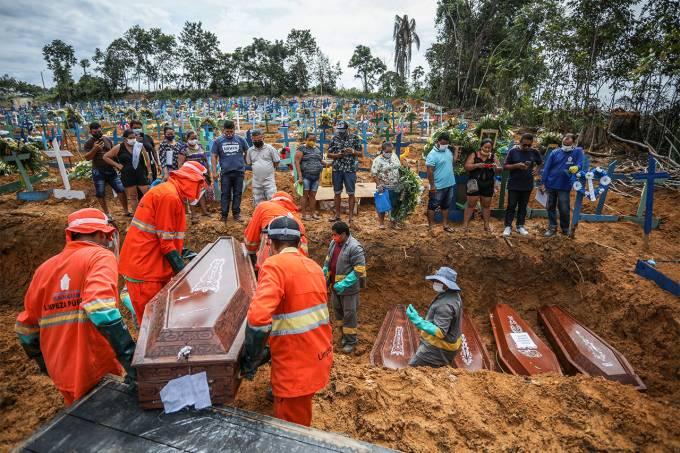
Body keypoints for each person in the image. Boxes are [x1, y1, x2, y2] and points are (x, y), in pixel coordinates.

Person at [15, 208, 136, 405]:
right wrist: (130, 358)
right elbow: (99, 307)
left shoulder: (44, 269)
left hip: (60, 371)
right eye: (106, 237)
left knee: (80, 425)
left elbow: (25, 329)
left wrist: (46, 365)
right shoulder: (99, 257)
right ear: (100, 234)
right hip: (94, 365)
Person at [241, 216, 332, 427]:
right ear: (299, 242)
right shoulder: (315, 268)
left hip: (295, 366)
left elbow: (257, 319)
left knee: (291, 429)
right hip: (318, 355)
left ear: (270, 243)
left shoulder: (274, 266)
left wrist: (252, 359)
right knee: (300, 413)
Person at [119, 161, 207, 322]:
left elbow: (165, 236)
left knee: (157, 321)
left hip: (148, 266)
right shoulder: (169, 197)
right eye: (199, 185)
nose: (200, 191)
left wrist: (185, 253)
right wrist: (185, 276)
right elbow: (166, 243)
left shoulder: (169, 193)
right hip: (146, 271)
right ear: (190, 181)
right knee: (152, 325)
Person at [322, 221, 366, 354]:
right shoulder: (333, 244)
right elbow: (328, 259)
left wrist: (344, 283)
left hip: (349, 289)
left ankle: (351, 341)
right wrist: (325, 269)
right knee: (339, 313)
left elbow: (359, 270)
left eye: (335, 235)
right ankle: (343, 336)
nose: (333, 237)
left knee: (349, 314)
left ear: (343, 234)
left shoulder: (355, 247)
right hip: (335, 287)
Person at [407, 267, 463, 367]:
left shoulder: (445, 305)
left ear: (447, 284)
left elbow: (440, 332)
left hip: (437, 349)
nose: (435, 283)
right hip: (449, 345)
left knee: (411, 371)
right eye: (436, 280)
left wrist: (418, 320)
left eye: (438, 281)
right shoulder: (454, 295)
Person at [244, 191, 308, 270]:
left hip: (272, 259)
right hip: (301, 264)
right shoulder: (296, 217)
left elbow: (250, 240)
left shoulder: (264, 206)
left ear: (273, 199)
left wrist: (251, 254)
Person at [540, 134, 584, 237]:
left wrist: (576, 167)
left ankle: (565, 229)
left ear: (573, 141)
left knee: (564, 207)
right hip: (551, 183)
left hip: (564, 185)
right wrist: (542, 182)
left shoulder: (577, 152)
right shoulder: (555, 152)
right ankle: (552, 227)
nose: (566, 138)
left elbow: (580, 164)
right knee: (550, 206)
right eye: (565, 137)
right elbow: (547, 168)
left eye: (569, 137)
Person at [83, 122, 129, 218]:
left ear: (101, 130)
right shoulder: (88, 143)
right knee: (100, 193)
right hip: (98, 171)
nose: (97, 133)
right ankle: (107, 214)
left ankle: (126, 211)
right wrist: (95, 149)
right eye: (95, 132)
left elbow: (113, 154)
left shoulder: (107, 139)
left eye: (99, 131)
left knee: (121, 190)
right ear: (91, 132)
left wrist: (118, 166)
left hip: (110, 169)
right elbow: (87, 157)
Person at [503, 133, 543, 237]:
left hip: (527, 184)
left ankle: (520, 225)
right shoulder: (513, 152)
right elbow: (505, 166)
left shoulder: (534, 152)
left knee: (523, 206)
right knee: (511, 205)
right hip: (514, 183)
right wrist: (516, 165)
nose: (527, 147)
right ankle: (508, 226)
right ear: (520, 142)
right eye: (525, 145)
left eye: (529, 145)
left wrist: (537, 170)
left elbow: (540, 163)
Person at [103, 129, 151, 214]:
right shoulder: (119, 147)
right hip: (127, 175)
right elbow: (105, 157)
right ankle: (137, 216)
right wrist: (117, 165)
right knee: (133, 197)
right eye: (130, 138)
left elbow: (147, 160)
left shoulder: (139, 146)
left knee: (148, 195)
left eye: (134, 137)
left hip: (141, 173)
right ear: (125, 138)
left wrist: (149, 172)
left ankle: (150, 214)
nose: (133, 139)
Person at [211, 120, 249, 223]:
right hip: (226, 173)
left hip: (239, 171)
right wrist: (214, 172)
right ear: (223, 130)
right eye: (227, 132)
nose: (229, 134)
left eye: (231, 132)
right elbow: (214, 156)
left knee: (237, 193)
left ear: (234, 130)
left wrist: (246, 162)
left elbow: (247, 151)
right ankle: (224, 215)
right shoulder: (218, 141)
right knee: (225, 193)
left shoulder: (240, 140)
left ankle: (236, 213)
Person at [327, 121, 362, 225]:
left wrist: (353, 151)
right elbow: (328, 154)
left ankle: (351, 217)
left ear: (347, 129)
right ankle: (337, 216)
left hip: (350, 169)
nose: (340, 132)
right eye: (339, 130)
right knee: (337, 193)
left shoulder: (355, 138)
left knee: (351, 193)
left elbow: (361, 153)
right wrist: (337, 155)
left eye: (342, 130)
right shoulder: (334, 138)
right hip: (337, 169)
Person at [463, 139, 501, 232]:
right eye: (485, 147)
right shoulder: (474, 155)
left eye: (489, 147)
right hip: (474, 183)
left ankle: (486, 226)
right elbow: (467, 166)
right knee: (471, 205)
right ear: (481, 146)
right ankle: (465, 225)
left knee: (486, 206)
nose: (487, 149)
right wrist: (476, 165)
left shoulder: (493, 156)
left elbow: (499, 170)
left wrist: (496, 167)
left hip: (488, 184)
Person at [426, 133, 458, 234]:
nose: (445, 145)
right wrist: (432, 185)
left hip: (449, 184)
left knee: (446, 206)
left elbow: (452, 162)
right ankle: (431, 227)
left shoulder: (448, 150)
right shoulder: (432, 154)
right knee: (432, 206)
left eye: (447, 144)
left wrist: (456, 150)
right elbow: (429, 171)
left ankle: (445, 225)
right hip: (438, 186)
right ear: (438, 141)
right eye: (443, 143)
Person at [370, 142, 402, 229]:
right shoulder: (377, 160)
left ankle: (393, 223)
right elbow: (374, 173)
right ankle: (381, 223)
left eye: (391, 151)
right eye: (387, 152)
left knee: (395, 204)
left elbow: (399, 167)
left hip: (395, 185)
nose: (389, 153)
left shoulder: (394, 156)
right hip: (384, 186)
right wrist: (379, 185)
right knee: (382, 205)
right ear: (383, 151)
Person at [246, 129, 281, 206]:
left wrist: (269, 169)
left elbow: (276, 161)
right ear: (252, 139)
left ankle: (272, 216)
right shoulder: (250, 151)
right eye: (255, 140)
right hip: (256, 181)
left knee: (272, 200)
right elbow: (249, 163)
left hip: (269, 180)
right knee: (258, 202)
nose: (257, 141)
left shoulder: (270, 148)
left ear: (263, 138)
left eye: (259, 139)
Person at [294, 132, 324, 221]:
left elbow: (320, 160)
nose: (312, 141)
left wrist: (327, 164)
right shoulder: (301, 148)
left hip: (316, 177)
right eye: (310, 140)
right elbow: (297, 162)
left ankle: (312, 214)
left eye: (313, 140)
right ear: (306, 140)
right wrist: (300, 176)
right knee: (304, 195)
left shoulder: (317, 149)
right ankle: (303, 215)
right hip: (305, 176)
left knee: (313, 196)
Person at [184, 130, 212, 223]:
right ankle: (193, 215)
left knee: (202, 193)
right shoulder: (184, 149)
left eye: (195, 138)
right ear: (187, 139)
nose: (194, 140)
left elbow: (205, 160)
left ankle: (204, 211)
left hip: (201, 174)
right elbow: (181, 163)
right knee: (191, 195)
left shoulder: (200, 147)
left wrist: (207, 171)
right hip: (190, 175)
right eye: (192, 138)